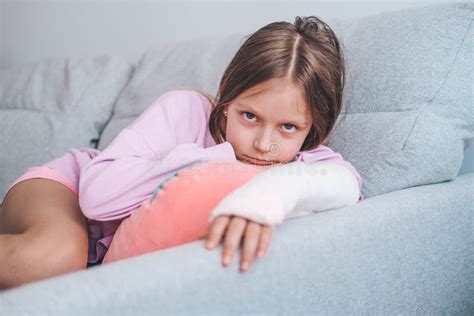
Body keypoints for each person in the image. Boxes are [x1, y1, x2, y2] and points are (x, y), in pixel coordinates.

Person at [0, 15, 363, 290]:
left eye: (288, 127)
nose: (263, 144)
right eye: (249, 116)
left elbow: (347, 184)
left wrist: (270, 193)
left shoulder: (302, 160)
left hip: (95, 251)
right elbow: (97, 198)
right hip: (65, 188)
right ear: (227, 101)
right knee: (57, 258)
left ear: (311, 129)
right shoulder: (185, 109)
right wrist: (216, 158)